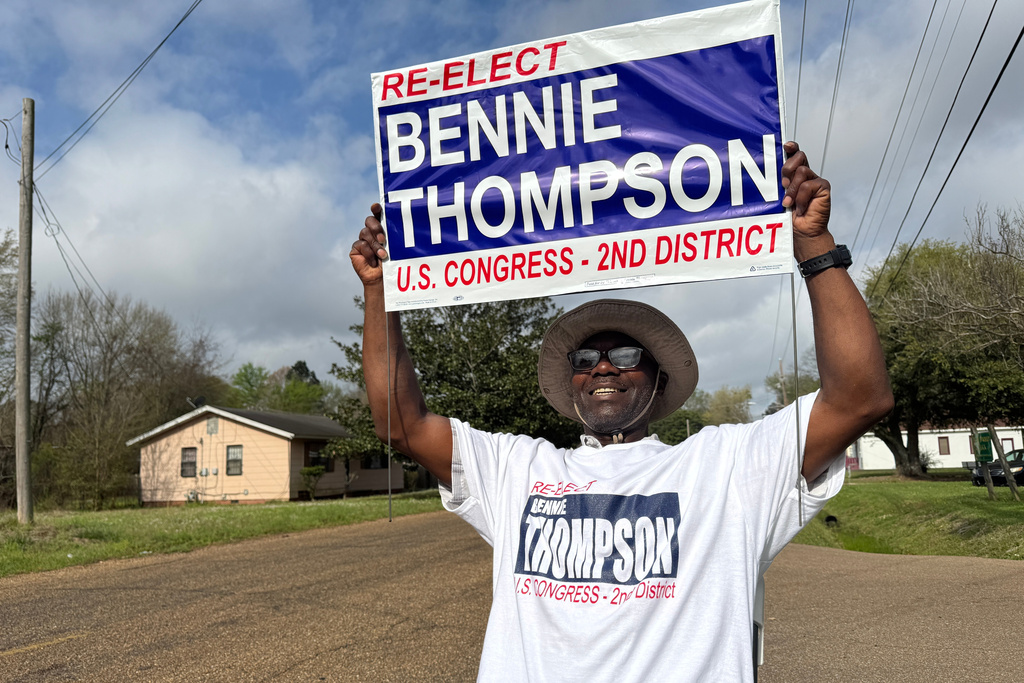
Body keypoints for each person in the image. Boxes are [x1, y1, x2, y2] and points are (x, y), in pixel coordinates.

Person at [349, 141, 893, 682]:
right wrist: (379, 290)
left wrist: (812, 242)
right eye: (586, 358)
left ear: (658, 379)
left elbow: (859, 399)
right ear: (573, 381)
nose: (603, 368)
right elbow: (402, 425)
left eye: (626, 355)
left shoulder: (726, 468)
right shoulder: (517, 469)